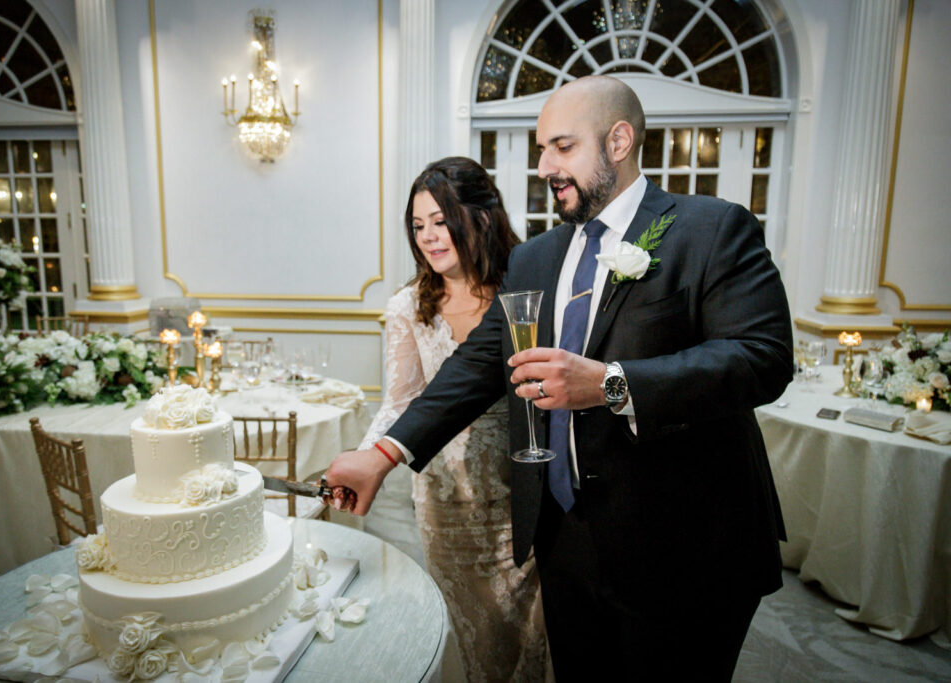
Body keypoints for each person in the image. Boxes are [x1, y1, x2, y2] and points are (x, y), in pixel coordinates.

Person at [328, 76, 792, 681]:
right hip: (567, 541)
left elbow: (762, 358)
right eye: (542, 147)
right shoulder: (537, 257)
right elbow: (474, 365)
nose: (545, 164)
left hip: (684, 546)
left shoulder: (711, 230)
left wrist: (611, 384)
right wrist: (384, 453)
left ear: (619, 141)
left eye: (562, 147)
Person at [359, 156, 547, 680]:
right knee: (478, 641)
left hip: (523, 493)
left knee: (537, 636)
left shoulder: (523, 291)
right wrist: (367, 454)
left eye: (441, 222)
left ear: (481, 217)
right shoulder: (408, 306)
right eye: (418, 227)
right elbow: (400, 402)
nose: (428, 238)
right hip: (448, 502)